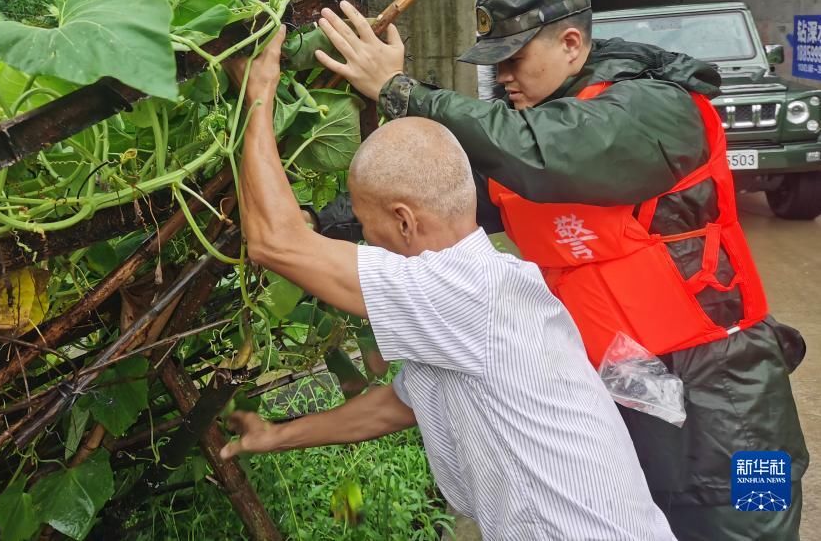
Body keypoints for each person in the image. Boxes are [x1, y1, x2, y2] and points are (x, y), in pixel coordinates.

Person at [310, 0, 809, 541]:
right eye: (495, 66)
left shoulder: (654, 111)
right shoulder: (532, 142)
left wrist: (400, 92)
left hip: (736, 401)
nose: (504, 79)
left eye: (514, 60)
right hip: (631, 399)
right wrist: (317, 225)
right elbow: (435, 201)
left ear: (571, 43)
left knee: (759, 525)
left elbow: (541, 151)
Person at [219, 29, 677, 541]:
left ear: (405, 222)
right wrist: (275, 436)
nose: (364, 240)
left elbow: (274, 242)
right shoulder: (490, 286)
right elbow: (400, 405)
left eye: (366, 227)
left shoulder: (458, 293)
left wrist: (257, 92)